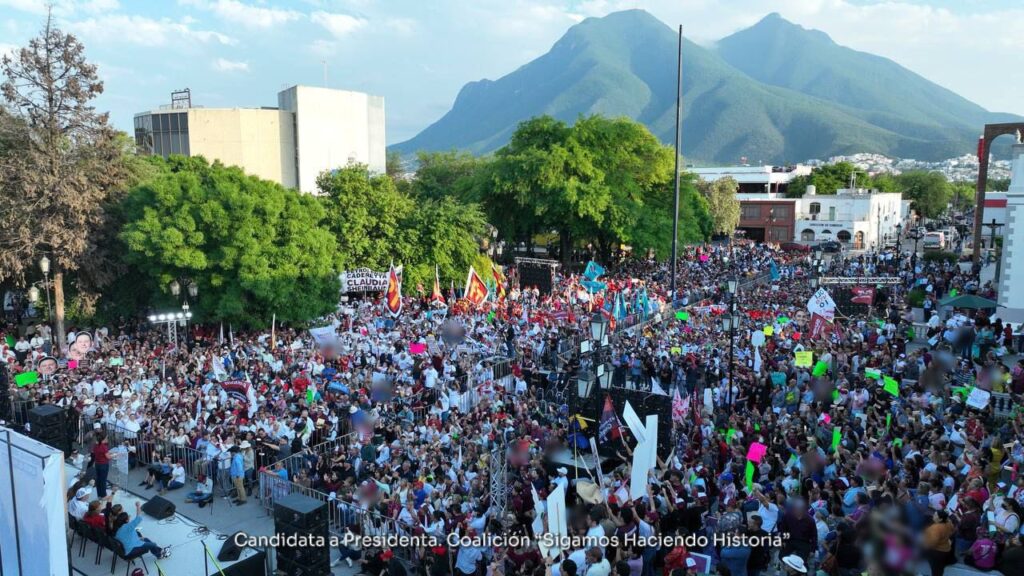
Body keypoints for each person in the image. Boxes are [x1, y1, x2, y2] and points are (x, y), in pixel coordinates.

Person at [922, 510, 954, 576]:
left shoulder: (935, 528)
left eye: (935, 515)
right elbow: (952, 531)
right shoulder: (948, 523)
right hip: (946, 549)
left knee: (936, 569)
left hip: (937, 552)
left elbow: (931, 543)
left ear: (940, 519)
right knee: (940, 568)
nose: (933, 515)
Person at [91, 433, 112, 498]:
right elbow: (108, 457)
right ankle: (103, 495)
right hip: (103, 465)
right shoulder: (104, 447)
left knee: (99, 479)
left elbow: (95, 453)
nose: (107, 439)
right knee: (103, 480)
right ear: (104, 439)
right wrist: (114, 455)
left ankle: (99, 494)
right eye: (107, 438)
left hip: (97, 464)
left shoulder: (96, 445)